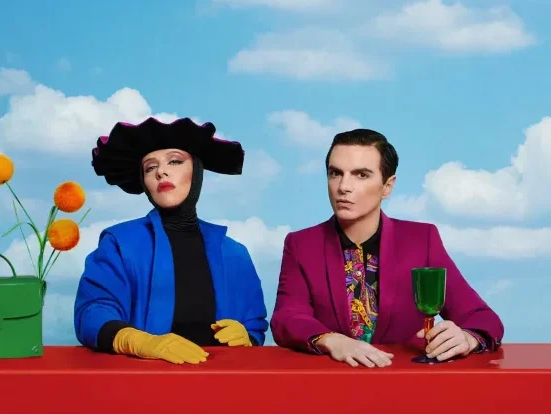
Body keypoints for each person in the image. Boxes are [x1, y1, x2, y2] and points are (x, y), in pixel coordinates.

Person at [270, 128, 504, 367]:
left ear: (387, 186)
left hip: (405, 381)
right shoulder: (301, 244)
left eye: (361, 175)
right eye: (335, 173)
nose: (343, 186)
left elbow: (482, 318)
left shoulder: (421, 240)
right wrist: (332, 340)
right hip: (331, 382)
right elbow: (286, 318)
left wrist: (467, 338)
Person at [74, 117, 268, 365]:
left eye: (175, 161)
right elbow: (92, 310)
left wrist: (248, 338)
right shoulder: (119, 243)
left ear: (197, 170)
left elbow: (255, 323)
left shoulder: (235, 253)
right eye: (150, 167)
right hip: (144, 382)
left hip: (222, 382)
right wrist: (133, 340)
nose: (161, 172)